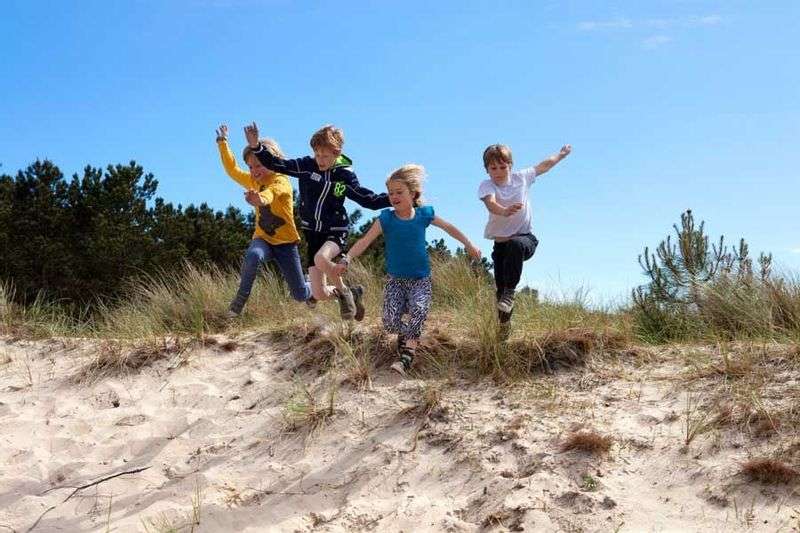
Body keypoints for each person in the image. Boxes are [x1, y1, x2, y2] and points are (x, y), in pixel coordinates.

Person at [333, 164, 481, 375]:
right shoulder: (386, 219)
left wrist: (468, 244)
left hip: (421, 280)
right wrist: (347, 258)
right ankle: (410, 333)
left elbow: (449, 227)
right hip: (395, 281)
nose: (394, 196)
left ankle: (407, 355)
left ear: (413, 194)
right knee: (390, 323)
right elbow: (364, 241)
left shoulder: (424, 215)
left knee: (419, 309)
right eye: (391, 193)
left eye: (399, 192)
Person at [244, 122, 390, 320]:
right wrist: (256, 147)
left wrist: (395, 199)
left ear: (337, 153)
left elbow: (367, 199)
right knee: (319, 293)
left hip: (335, 230)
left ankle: (344, 293)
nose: (320, 160)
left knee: (321, 259)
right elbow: (276, 164)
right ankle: (352, 293)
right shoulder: (306, 166)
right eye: (317, 154)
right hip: (313, 233)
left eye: (325, 156)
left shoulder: (344, 175)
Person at [215, 124, 310, 316]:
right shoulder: (253, 181)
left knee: (300, 295)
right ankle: (239, 301)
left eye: (258, 165)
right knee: (253, 255)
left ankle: (313, 286)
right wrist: (222, 142)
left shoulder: (281, 180)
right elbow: (232, 170)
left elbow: (271, 194)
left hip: (286, 244)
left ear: (272, 161)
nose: (254, 171)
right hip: (263, 239)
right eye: (251, 167)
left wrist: (259, 199)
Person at [478, 143, 572, 323]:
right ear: (487, 169)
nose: (498, 172)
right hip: (501, 247)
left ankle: (510, 293)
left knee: (515, 245)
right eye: (493, 168)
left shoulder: (521, 178)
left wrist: (561, 154)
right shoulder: (486, 185)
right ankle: (503, 326)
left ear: (510, 165)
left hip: (525, 239)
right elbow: (490, 203)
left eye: (503, 167)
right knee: (500, 295)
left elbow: (544, 165)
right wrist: (504, 211)